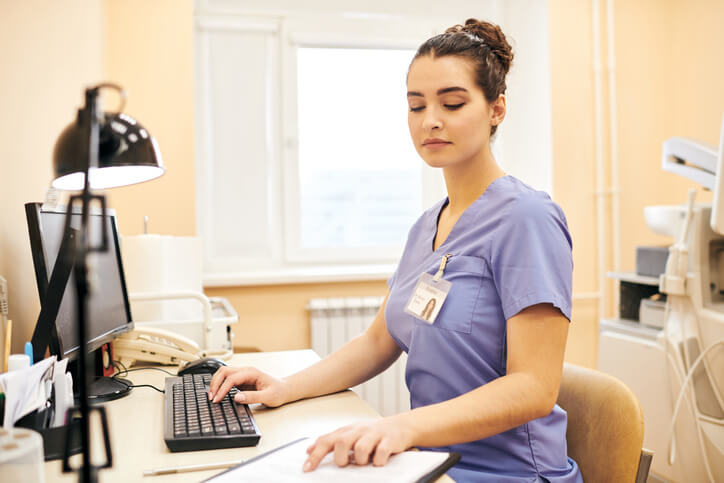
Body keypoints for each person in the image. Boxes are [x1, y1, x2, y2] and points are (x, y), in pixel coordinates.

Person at [209, 18, 581, 482]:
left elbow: (535, 388)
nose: (431, 120)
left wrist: (399, 426)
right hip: (430, 462)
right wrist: (284, 388)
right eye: (415, 105)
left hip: (508, 472)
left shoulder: (527, 219)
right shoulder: (427, 226)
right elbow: (376, 341)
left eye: (452, 103)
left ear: (496, 109)